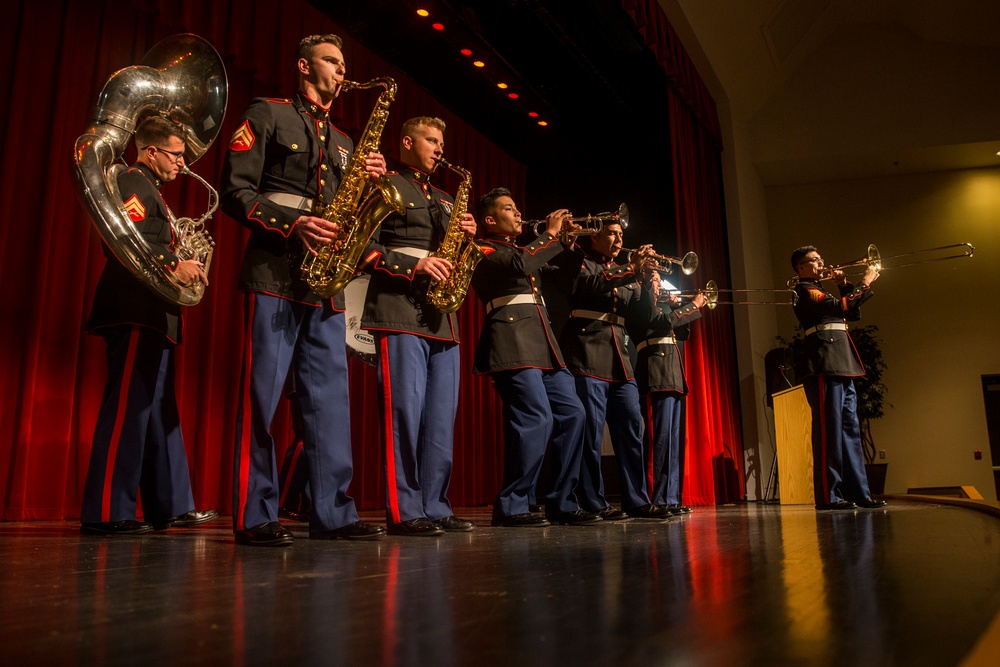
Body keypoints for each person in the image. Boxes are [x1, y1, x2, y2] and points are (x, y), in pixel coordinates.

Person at [220, 33, 387, 546]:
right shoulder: (267, 113)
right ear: (302, 65)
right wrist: (293, 223)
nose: (341, 71)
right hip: (274, 271)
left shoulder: (345, 142)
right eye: (332, 61)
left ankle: (333, 512)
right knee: (261, 397)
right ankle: (256, 514)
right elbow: (235, 191)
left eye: (343, 63)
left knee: (329, 403)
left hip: (326, 286)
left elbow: (352, 215)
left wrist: (374, 192)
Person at [81, 115, 218, 535]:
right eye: (176, 154)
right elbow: (126, 240)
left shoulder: (152, 189)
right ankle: (107, 510)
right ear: (151, 150)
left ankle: (170, 505)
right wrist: (175, 261)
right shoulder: (135, 182)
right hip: (134, 308)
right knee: (127, 409)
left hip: (154, 312)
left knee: (158, 410)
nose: (183, 163)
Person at [359, 116, 477, 536]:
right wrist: (414, 264)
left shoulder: (446, 198)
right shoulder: (384, 182)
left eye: (442, 141)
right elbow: (360, 247)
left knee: (441, 419)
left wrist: (467, 238)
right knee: (403, 414)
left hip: (442, 318)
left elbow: (455, 258)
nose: (440, 148)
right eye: (431, 139)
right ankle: (405, 509)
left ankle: (436, 504)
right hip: (397, 308)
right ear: (407, 142)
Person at [471, 188, 601, 527]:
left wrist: (568, 243)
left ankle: (562, 501)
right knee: (536, 420)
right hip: (512, 342)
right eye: (509, 209)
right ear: (489, 219)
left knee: (574, 415)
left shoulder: (525, 250)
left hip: (544, 346)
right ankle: (513, 503)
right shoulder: (482, 248)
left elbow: (565, 284)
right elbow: (521, 263)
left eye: (516, 208)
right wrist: (551, 235)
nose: (517, 214)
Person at [558, 225, 670, 521]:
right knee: (590, 434)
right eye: (611, 233)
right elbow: (592, 285)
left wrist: (645, 281)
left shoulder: (627, 272)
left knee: (633, 430)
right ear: (594, 236)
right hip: (586, 350)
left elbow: (645, 316)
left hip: (621, 357)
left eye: (621, 234)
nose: (619, 239)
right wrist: (631, 268)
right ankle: (593, 501)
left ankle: (637, 500)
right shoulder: (581, 260)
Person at [790, 245, 887, 511]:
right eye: (815, 260)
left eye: (821, 258)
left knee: (850, 431)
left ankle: (859, 492)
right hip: (824, 363)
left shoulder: (820, 289)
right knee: (829, 433)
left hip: (841, 362)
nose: (822, 263)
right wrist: (864, 281)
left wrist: (845, 284)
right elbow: (840, 307)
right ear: (801, 267)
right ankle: (829, 495)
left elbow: (851, 313)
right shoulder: (803, 290)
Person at [628, 271, 706, 515]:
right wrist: (691, 306)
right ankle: (654, 498)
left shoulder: (661, 306)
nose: (659, 284)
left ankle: (669, 498)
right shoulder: (639, 301)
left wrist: (680, 305)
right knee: (658, 441)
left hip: (671, 375)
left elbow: (681, 332)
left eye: (660, 280)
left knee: (672, 441)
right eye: (654, 279)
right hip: (654, 373)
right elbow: (660, 324)